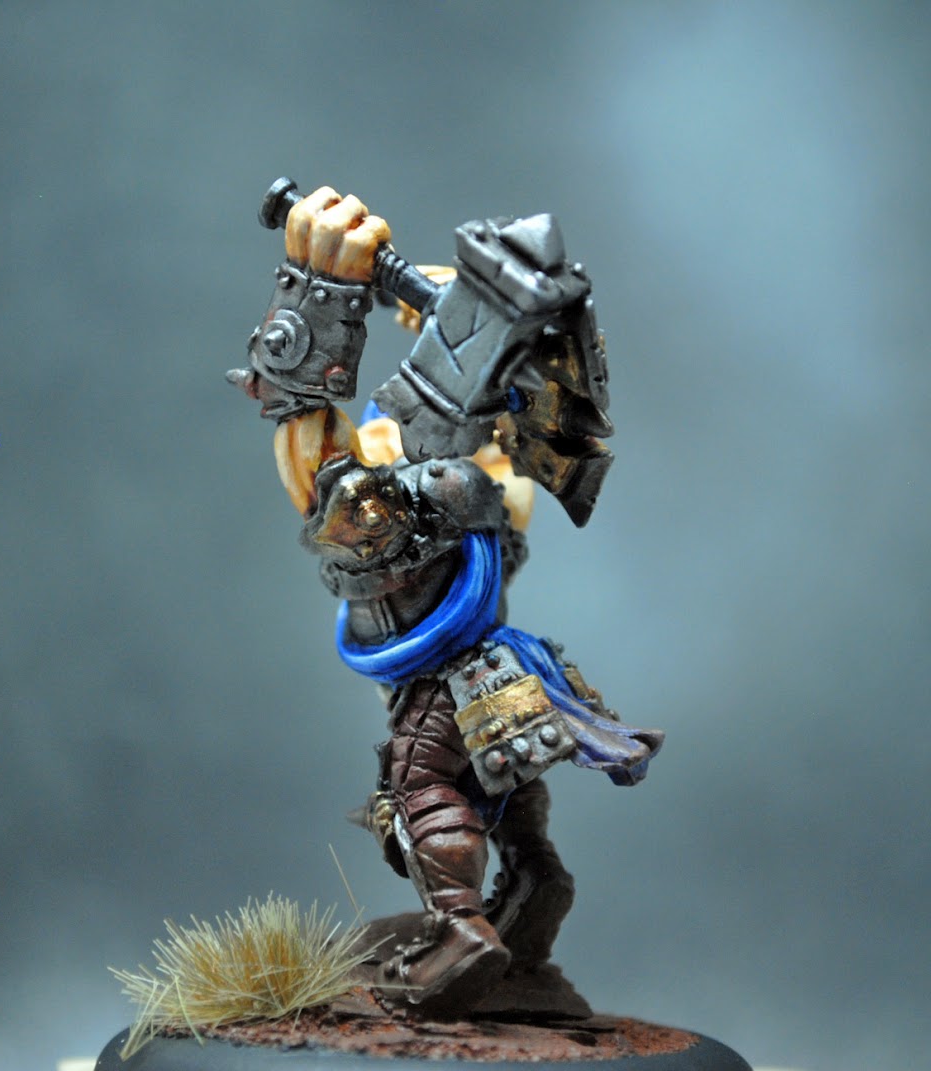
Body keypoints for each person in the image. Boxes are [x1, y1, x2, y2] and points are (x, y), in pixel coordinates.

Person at [229, 186, 662, 1017]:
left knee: (421, 785)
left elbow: (305, 433)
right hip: (507, 667)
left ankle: (462, 930)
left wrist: (320, 282)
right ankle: (536, 889)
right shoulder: (498, 483)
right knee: (507, 791)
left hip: (449, 681)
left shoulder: (407, 499)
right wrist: (445, 314)